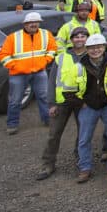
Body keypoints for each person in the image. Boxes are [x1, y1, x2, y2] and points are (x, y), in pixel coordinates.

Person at [38, 27, 89, 180]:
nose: (80, 39)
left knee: (83, 134)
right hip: (62, 102)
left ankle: (82, 160)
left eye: (83, 36)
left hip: (83, 102)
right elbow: (52, 81)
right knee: (53, 134)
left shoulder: (92, 56)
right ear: (71, 39)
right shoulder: (61, 57)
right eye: (76, 37)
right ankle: (48, 164)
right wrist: (52, 103)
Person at [0, 11, 56, 135]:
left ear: (39, 23)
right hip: (18, 74)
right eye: (30, 22)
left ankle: (47, 120)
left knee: (44, 97)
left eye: (36, 22)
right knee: (15, 100)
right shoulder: (13, 37)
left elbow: (52, 49)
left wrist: (46, 61)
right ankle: (12, 125)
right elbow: (3, 55)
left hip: (39, 72)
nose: (33, 24)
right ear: (25, 24)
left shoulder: (46, 34)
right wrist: (15, 66)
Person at [75, 34, 107, 183]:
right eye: (92, 48)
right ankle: (85, 168)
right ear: (86, 49)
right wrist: (80, 103)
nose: (95, 50)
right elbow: (69, 87)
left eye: (99, 47)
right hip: (88, 107)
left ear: (104, 47)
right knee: (84, 139)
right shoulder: (79, 66)